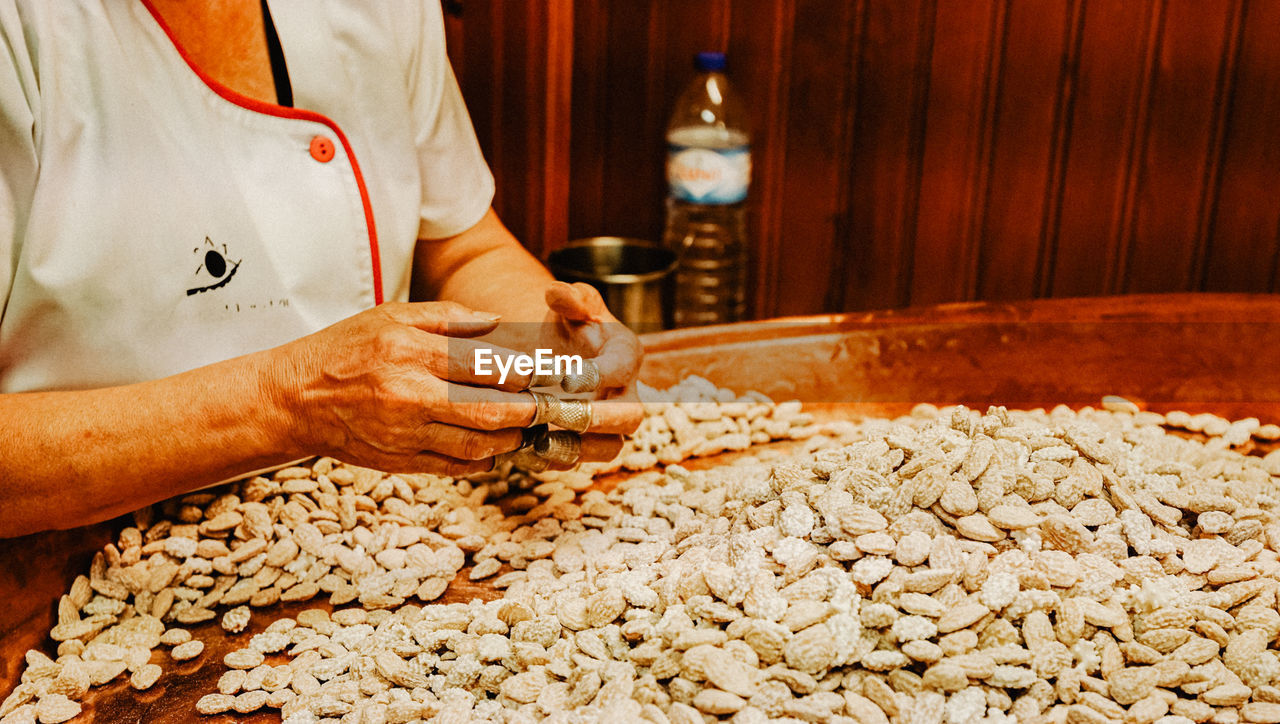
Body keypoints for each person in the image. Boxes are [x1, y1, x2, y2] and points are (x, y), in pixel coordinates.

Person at [0, 0, 643, 538]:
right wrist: (293, 402)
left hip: (374, 531)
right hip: (68, 561)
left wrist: (544, 349)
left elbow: (463, 243)